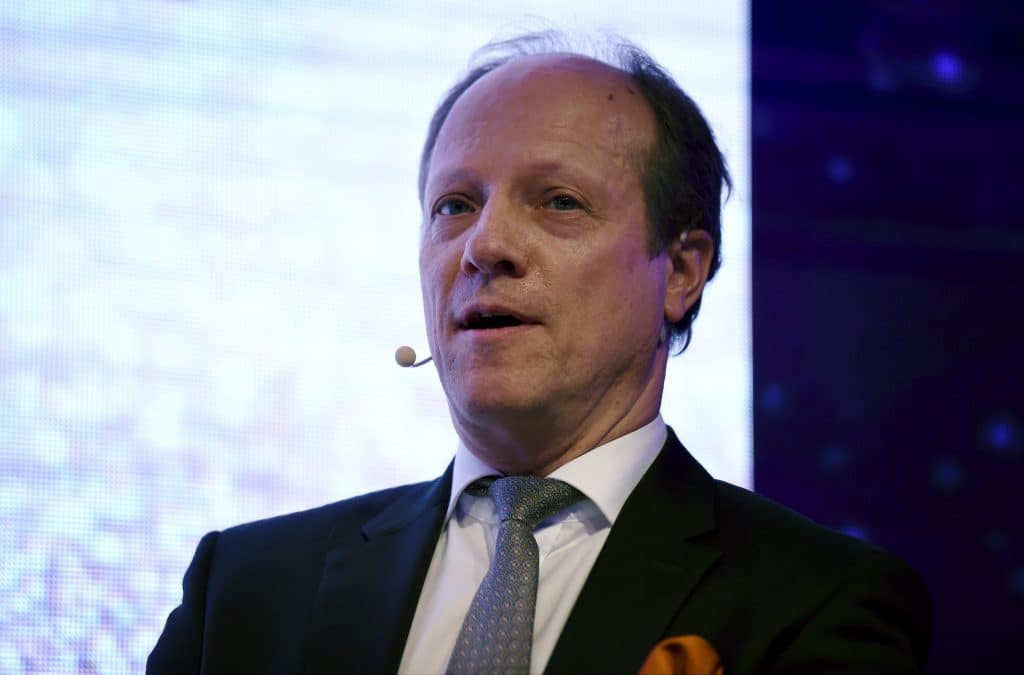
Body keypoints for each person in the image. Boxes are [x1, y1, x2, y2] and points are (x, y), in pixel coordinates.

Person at [148, 32, 931, 674]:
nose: (484, 244)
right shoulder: (243, 593)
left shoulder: (814, 603)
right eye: (455, 205)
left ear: (681, 271)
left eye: (559, 201)